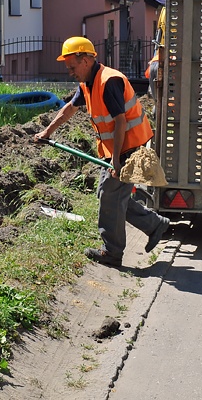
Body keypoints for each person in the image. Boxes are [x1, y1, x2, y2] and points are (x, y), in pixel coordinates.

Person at [35, 36, 170, 267]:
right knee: (109, 196)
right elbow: (69, 109)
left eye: (72, 67)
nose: (70, 72)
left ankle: (113, 252)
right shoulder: (88, 82)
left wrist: (117, 161)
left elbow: (120, 122)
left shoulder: (108, 82)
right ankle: (154, 224)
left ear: (85, 60)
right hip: (116, 148)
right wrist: (46, 132)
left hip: (129, 146)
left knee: (110, 195)